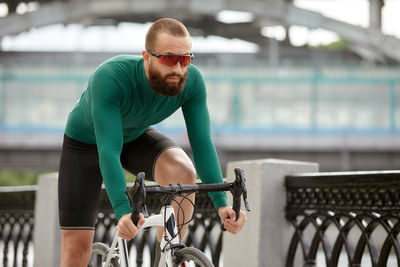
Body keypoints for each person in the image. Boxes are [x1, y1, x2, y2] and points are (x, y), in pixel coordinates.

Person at [58, 17, 247, 267]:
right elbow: (108, 150)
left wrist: (223, 206)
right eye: (169, 59)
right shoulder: (110, 77)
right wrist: (124, 211)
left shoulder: (192, 82)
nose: (178, 69)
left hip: (134, 137)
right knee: (76, 249)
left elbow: (201, 145)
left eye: (185, 59)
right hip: (86, 145)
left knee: (183, 173)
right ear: (146, 57)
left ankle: (168, 257)